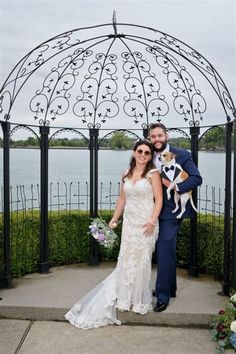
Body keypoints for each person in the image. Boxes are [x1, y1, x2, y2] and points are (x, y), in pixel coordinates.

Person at [65, 139, 163, 329]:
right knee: (126, 259)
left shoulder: (153, 174)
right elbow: (121, 199)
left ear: (151, 156)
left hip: (146, 224)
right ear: (134, 152)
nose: (143, 155)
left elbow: (159, 200)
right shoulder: (126, 173)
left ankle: (138, 301)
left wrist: (152, 220)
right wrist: (114, 219)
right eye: (140, 151)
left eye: (147, 153)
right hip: (130, 224)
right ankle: (125, 299)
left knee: (141, 261)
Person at [148, 122, 202, 312]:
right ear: (150, 138)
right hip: (151, 210)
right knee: (166, 251)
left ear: (166, 136)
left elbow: (196, 178)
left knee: (163, 251)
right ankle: (170, 289)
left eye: (159, 136)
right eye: (153, 137)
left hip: (171, 212)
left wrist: (174, 186)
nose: (157, 140)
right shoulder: (147, 155)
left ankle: (162, 297)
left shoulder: (182, 155)